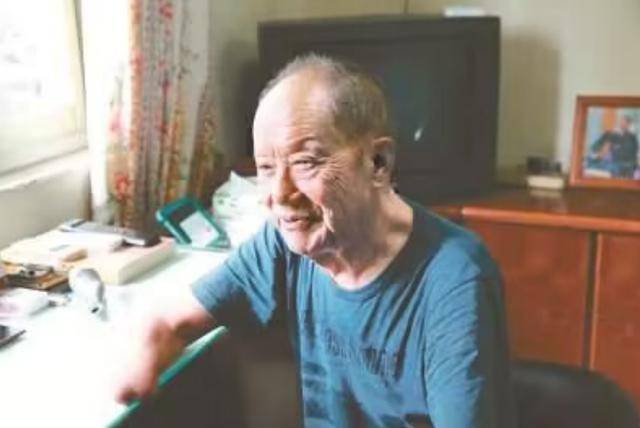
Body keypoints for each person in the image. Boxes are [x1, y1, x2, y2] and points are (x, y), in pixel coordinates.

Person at [114, 54, 516, 427]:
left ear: (378, 163)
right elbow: (167, 323)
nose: (280, 194)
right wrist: (137, 368)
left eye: (306, 162)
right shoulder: (284, 242)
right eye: (266, 168)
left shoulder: (454, 278)